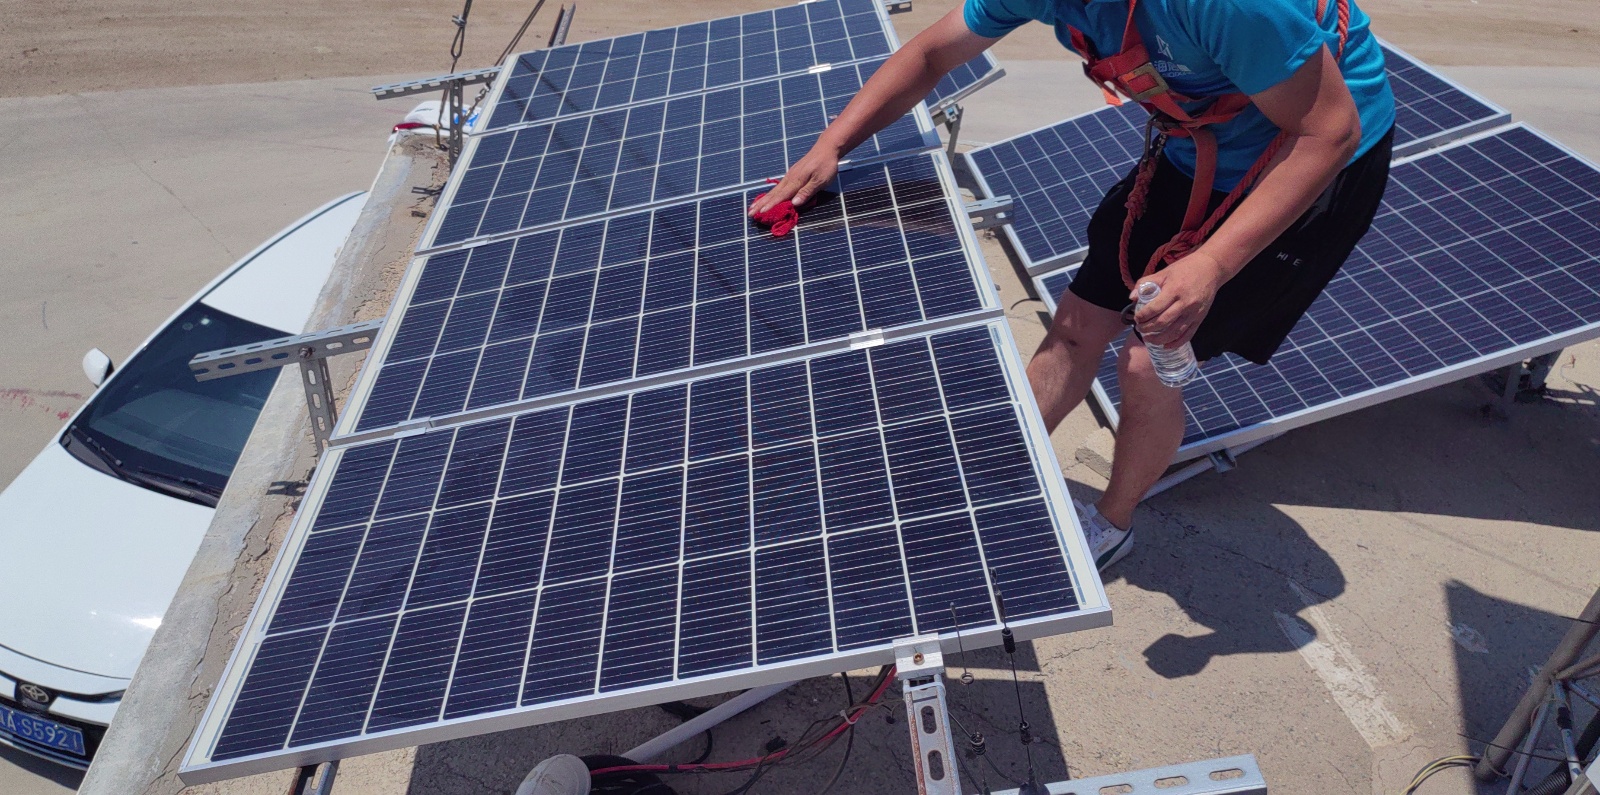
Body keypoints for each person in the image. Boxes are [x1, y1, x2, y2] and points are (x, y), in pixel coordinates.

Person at [750, 0, 1396, 570]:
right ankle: (993, 480)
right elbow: (930, 53)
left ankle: (1110, 525)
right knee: (1077, 325)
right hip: (1196, 147)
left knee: (1148, 362)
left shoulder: (1227, 4)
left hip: (1315, 160)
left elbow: (1328, 131)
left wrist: (1211, 264)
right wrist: (833, 143)